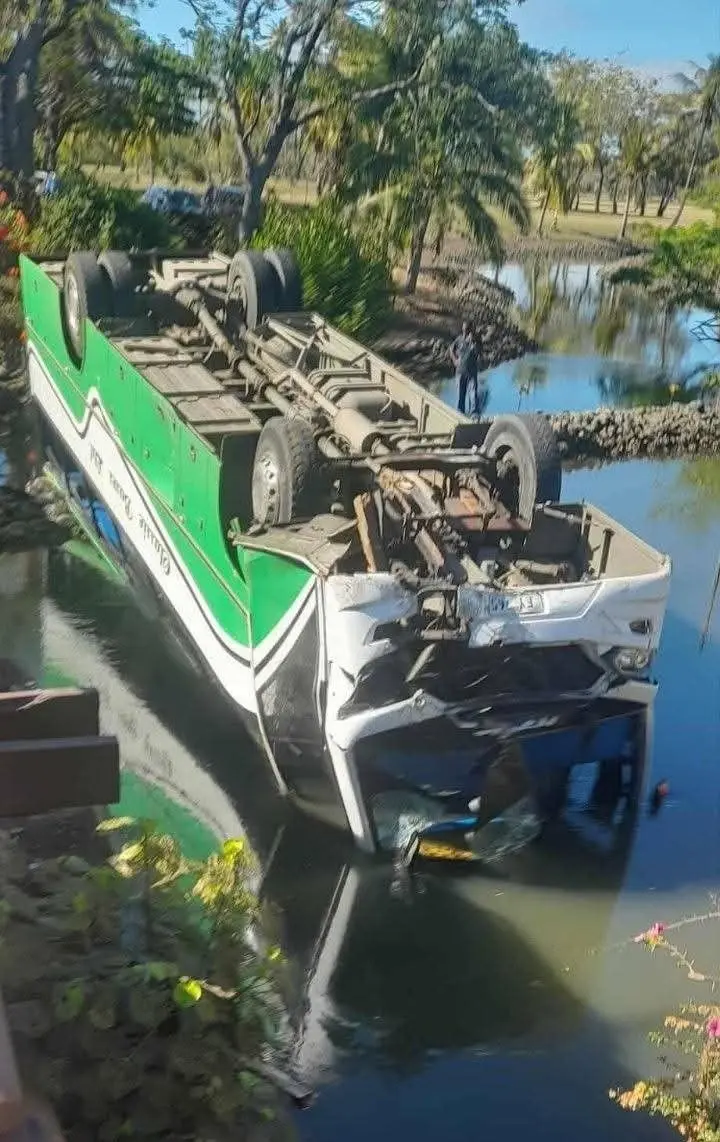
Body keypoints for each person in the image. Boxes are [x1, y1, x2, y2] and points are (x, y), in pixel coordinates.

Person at [450, 321, 478, 415]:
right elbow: (451, 349)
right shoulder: (458, 339)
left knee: (473, 393)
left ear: (471, 329)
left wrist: (472, 342)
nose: (465, 331)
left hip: (471, 372)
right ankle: (460, 413)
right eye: (464, 329)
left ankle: (474, 413)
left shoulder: (475, 340)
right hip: (460, 371)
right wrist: (455, 360)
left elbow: (478, 352)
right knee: (460, 394)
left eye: (467, 329)